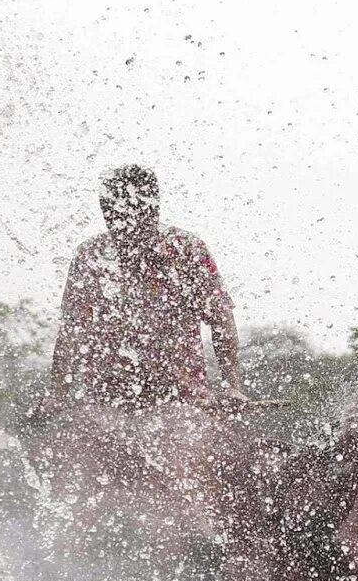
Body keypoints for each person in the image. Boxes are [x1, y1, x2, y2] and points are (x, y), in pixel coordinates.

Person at [44, 165, 247, 412]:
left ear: (153, 210)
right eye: (115, 217)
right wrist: (56, 394)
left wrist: (232, 385)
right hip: (106, 400)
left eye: (137, 214)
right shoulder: (91, 257)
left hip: (181, 399)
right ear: (106, 214)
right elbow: (71, 331)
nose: (126, 226)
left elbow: (221, 319)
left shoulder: (186, 250)